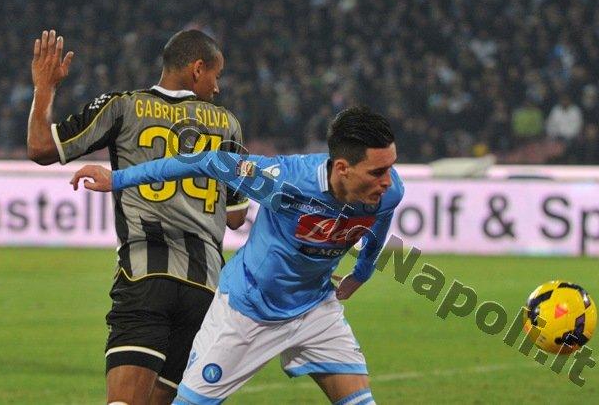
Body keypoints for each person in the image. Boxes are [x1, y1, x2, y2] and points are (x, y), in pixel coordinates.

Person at [71, 106, 404, 404]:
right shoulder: (282, 180)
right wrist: (118, 178)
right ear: (343, 168)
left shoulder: (389, 193)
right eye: (378, 172)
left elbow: (378, 227)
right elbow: (203, 161)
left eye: (391, 167)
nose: (388, 181)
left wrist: (362, 273)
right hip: (247, 311)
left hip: (315, 309)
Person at [27, 29, 249, 405]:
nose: (217, 86)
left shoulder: (123, 106)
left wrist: (45, 88)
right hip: (204, 287)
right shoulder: (227, 124)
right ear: (198, 69)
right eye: (217, 74)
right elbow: (236, 217)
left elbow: (41, 147)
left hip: (144, 276)